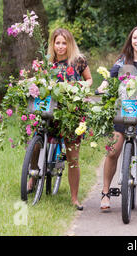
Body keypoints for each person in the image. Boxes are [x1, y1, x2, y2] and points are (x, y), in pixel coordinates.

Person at [96, 25, 137, 213]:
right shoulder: (122, 61)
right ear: (131, 40)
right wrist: (103, 87)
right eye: (135, 38)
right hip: (124, 112)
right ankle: (105, 192)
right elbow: (109, 78)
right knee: (112, 152)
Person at [48, 28, 92, 210]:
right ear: (53, 44)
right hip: (51, 110)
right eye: (57, 43)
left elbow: (89, 80)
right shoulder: (47, 62)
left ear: (70, 44)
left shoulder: (78, 61)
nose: (60, 46)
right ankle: (33, 177)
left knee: (73, 157)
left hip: (72, 111)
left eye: (64, 43)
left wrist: (79, 85)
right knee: (35, 142)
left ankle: (74, 198)